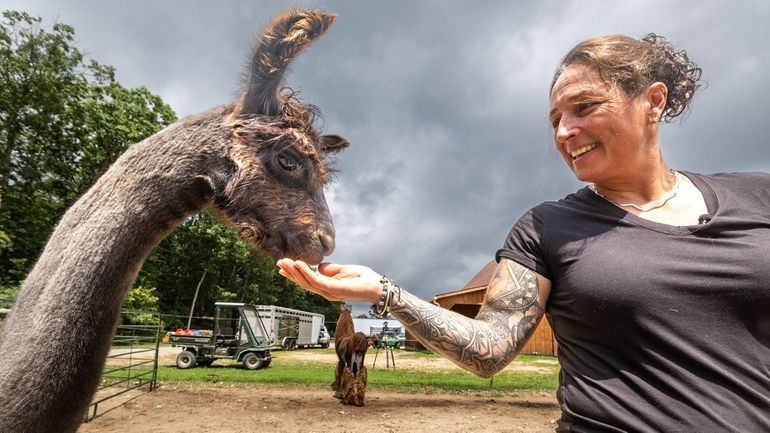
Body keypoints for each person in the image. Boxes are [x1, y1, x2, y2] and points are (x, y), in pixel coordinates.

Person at [277, 33, 770, 432]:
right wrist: (383, 292)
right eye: (555, 119)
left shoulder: (757, 196)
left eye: (583, 107)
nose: (563, 131)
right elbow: (489, 348)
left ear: (652, 102)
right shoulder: (546, 227)